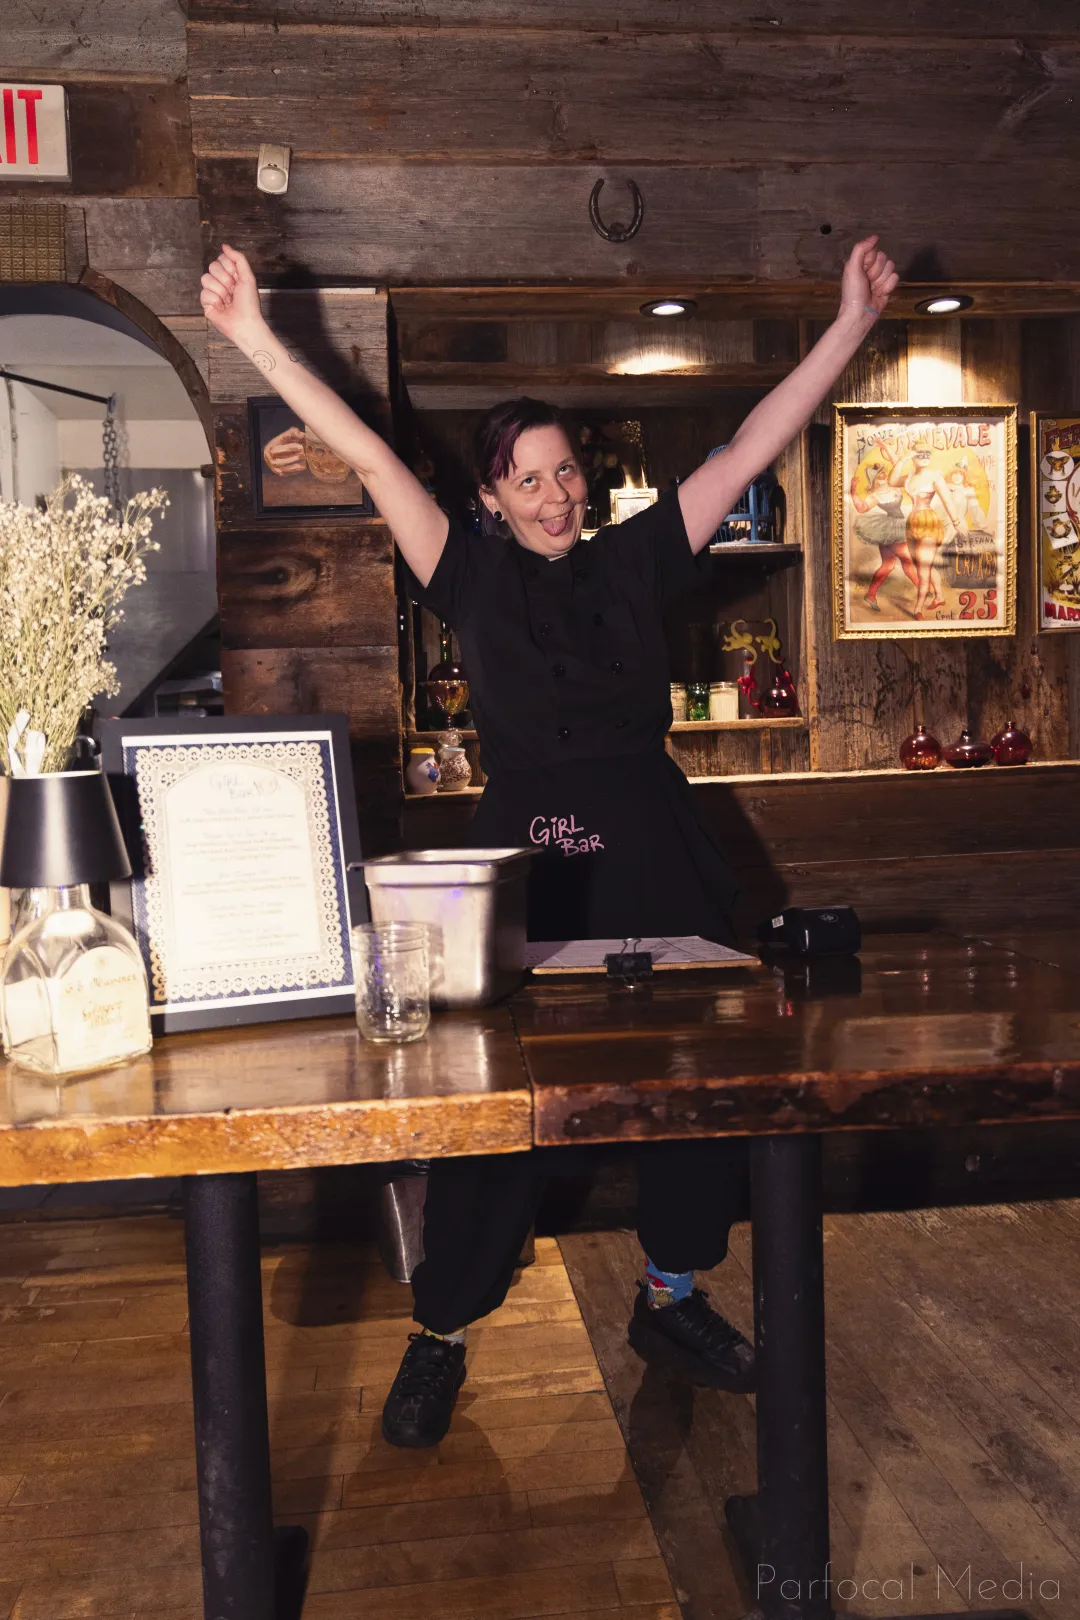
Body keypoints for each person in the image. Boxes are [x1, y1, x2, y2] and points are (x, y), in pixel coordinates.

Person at [200, 234, 898, 1447]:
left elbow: (749, 447)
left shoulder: (634, 558)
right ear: (489, 497)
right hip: (527, 868)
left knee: (692, 1086)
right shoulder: (462, 572)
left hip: (657, 852)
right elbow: (370, 453)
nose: (556, 494)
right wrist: (255, 335)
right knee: (495, 1113)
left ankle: (671, 1295)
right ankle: (442, 1330)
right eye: (527, 479)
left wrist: (848, 324)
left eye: (566, 470)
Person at [888, 444, 951, 618]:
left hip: (928, 522)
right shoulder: (909, 477)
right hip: (912, 523)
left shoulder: (934, 477)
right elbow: (892, 481)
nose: (924, 456)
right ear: (913, 456)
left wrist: (956, 521)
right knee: (923, 565)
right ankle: (939, 597)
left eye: (926, 453)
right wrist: (903, 458)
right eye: (919, 453)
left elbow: (948, 501)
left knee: (923, 570)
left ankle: (918, 609)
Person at [851, 453, 916, 613]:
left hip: (895, 526)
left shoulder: (893, 486)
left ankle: (871, 594)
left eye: (884, 474)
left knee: (888, 565)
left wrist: (886, 449)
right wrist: (853, 490)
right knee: (907, 560)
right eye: (879, 476)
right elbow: (861, 508)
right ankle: (923, 588)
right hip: (891, 529)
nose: (884, 476)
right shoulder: (876, 495)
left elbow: (896, 469)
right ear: (874, 481)